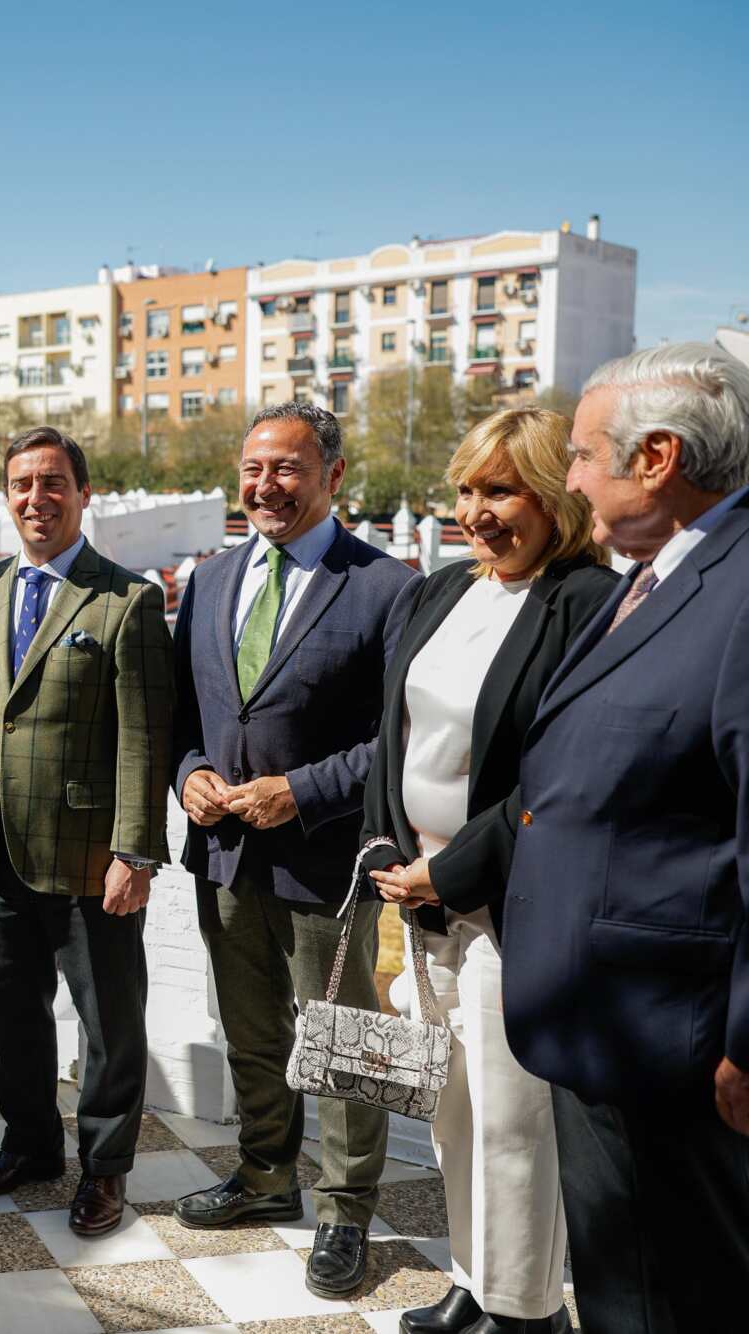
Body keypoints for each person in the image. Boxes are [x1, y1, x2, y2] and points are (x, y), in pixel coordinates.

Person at [408, 344, 749, 1331]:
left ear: (655, 456)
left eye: (582, 455)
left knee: (673, 1294)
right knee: (623, 1287)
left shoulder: (729, 589)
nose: (572, 480)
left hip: (674, 1039)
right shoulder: (653, 577)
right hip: (605, 1019)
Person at [358, 410, 615, 1334]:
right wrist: (388, 850)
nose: (478, 511)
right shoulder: (439, 592)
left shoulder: (587, 601)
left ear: (553, 498)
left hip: (512, 906)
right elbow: (396, 737)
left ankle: (525, 1309)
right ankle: (473, 1281)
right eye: (467, 490)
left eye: (501, 490)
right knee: (454, 1114)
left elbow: (561, 773)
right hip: (420, 900)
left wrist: (453, 869)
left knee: (515, 1125)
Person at [169, 402, 417, 1298]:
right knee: (252, 1030)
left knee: (345, 1043)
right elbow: (185, 717)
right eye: (252, 469)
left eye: (286, 468)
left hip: (326, 864)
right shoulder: (207, 580)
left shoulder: (388, 587)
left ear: (334, 476)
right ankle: (265, 1176)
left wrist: (299, 791)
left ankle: (346, 1212)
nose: (265, 486)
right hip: (224, 857)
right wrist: (190, 771)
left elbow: (400, 737)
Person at [0, 425, 174, 1235]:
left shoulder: (128, 599)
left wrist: (135, 852)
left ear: (84, 494)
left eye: (53, 484)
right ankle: (31, 1144)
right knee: (13, 1007)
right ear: (4, 497)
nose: (36, 499)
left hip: (90, 856)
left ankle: (105, 1171)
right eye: (21, 485)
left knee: (109, 1022)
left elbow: (146, 738)